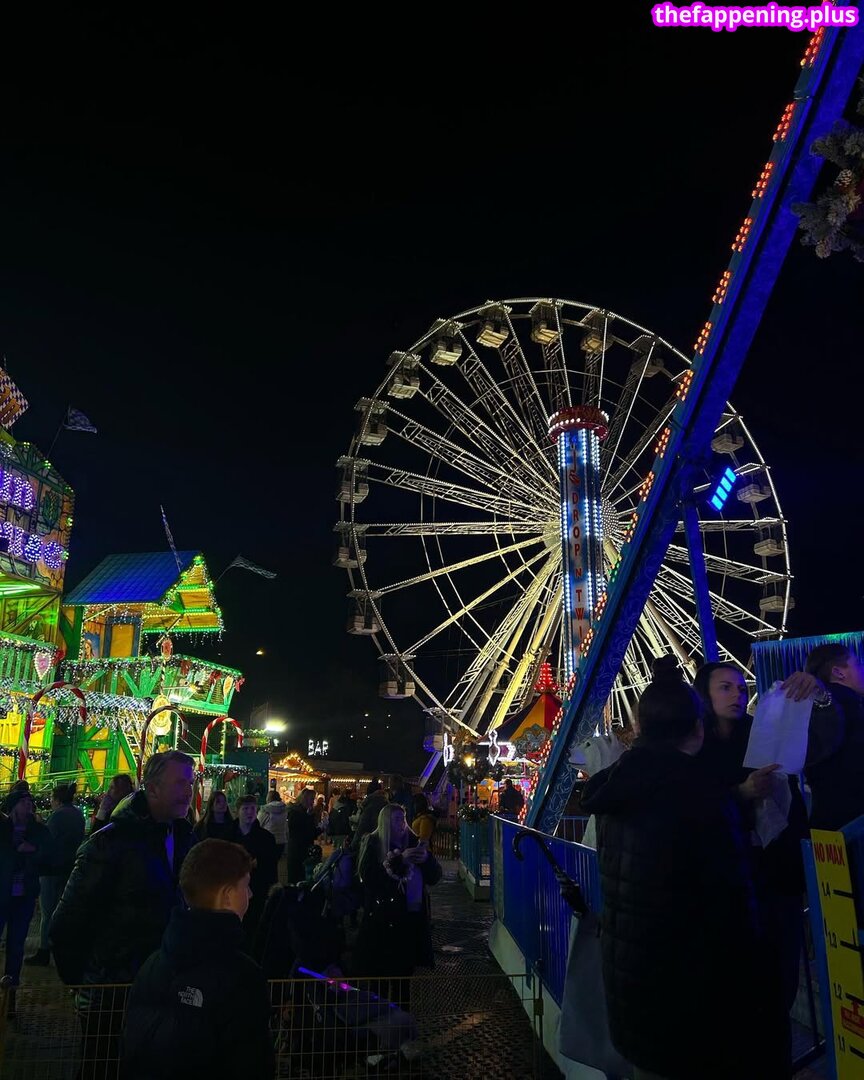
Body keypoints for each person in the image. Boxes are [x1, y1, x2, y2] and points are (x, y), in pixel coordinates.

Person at [581, 656, 774, 1080]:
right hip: (691, 993)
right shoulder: (701, 795)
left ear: (640, 727)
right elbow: (732, 906)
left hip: (633, 988)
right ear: (697, 728)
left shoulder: (615, 791)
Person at [50, 750, 197, 1079]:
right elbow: (67, 922)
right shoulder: (109, 843)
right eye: (180, 783)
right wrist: (85, 982)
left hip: (161, 985)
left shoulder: (184, 836)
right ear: (153, 788)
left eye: (190, 783)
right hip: (113, 992)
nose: (188, 791)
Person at [695, 660, 810, 1077]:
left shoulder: (764, 736)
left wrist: (817, 694)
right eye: (725, 687)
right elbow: (693, 809)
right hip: (728, 881)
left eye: (741, 687)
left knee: (779, 980)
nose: (738, 695)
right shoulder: (695, 747)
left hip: (774, 874)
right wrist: (741, 793)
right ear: (704, 695)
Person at [122, 838, 274, 1079]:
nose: (251, 895)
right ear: (227, 896)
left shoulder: (152, 965)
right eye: (245, 886)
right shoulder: (242, 977)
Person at [352, 803, 441, 1002]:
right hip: (382, 920)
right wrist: (399, 861)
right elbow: (369, 879)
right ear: (385, 823)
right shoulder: (374, 843)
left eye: (403, 819)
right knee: (380, 980)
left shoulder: (413, 841)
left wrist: (426, 859)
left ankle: (401, 1016)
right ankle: (382, 1016)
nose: (401, 824)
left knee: (403, 979)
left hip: (409, 919)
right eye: (396, 820)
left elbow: (434, 876)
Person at [0, 788, 52, 1015]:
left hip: (24, 897)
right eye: (23, 802)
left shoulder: (38, 831)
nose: (28, 806)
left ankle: (10, 995)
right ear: (13, 806)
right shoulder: (3, 829)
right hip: (2, 893)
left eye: (30, 802)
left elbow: (51, 856)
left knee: (16, 946)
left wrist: (34, 850)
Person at [802, 643, 864, 830]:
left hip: (826, 825)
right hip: (853, 823)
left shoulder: (811, 708)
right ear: (838, 672)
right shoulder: (846, 702)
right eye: (858, 664)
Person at [26, 782, 85, 967]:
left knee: (47, 912)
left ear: (57, 799)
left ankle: (44, 949)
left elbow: (48, 840)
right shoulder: (78, 814)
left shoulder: (58, 816)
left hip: (51, 869)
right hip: (69, 867)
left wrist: (39, 825)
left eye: (51, 798)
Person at [232, 794, 278, 946]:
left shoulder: (266, 838)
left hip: (257, 888)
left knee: (253, 925)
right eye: (245, 809)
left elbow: (271, 865)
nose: (249, 812)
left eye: (252, 808)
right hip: (232, 888)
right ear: (238, 811)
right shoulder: (228, 835)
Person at [285, 788, 319, 883]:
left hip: (300, 848)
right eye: (312, 799)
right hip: (298, 849)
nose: (313, 802)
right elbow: (302, 832)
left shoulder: (302, 812)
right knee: (298, 876)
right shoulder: (297, 813)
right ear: (305, 799)